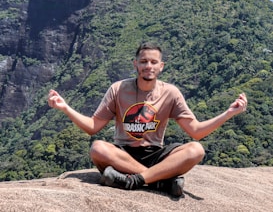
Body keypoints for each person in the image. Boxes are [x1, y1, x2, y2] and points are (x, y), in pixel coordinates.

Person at [48, 41, 247, 197]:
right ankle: (160, 181)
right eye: (143, 62)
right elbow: (93, 127)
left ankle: (134, 180)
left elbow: (196, 131)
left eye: (153, 62)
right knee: (98, 148)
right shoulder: (118, 89)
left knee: (196, 150)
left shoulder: (170, 93)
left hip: (155, 154)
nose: (148, 66)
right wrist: (65, 108)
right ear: (135, 64)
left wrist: (228, 113)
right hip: (123, 154)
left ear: (161, 66)